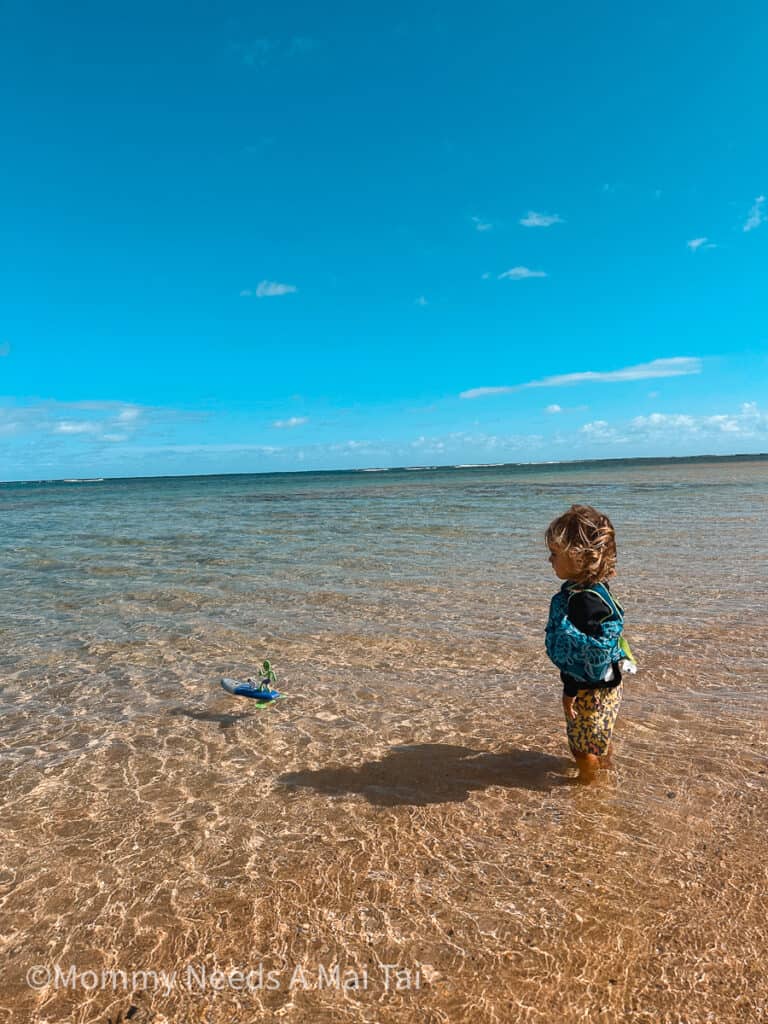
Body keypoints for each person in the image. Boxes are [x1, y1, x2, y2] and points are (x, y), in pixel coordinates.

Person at [544, 504, 634, 783]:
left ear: (579, 559)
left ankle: (588, 785)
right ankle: (605, 768)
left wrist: (569, 692)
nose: (549, 559)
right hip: (610, 681)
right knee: (598, 732)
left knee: (580, 746)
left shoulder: (581, 602)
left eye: (555, 554)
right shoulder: (596, 588)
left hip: (590, 689)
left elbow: (581, 656)